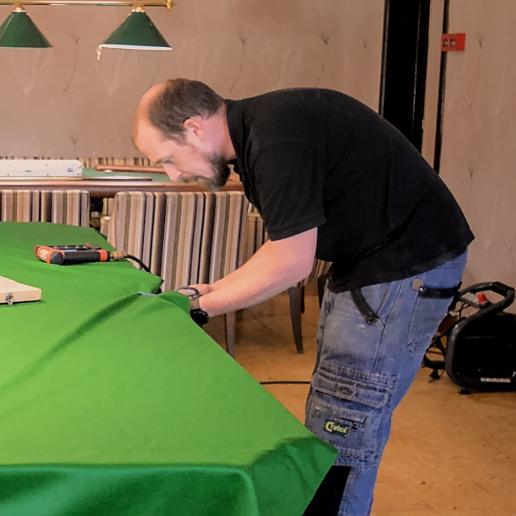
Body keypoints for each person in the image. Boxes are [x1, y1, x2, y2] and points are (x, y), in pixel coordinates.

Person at [132, 79, 474, 516]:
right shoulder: (257, 134)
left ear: (194, 128)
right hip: (374, 263)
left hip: (402, 267)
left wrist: (199, 309)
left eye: (167, 159)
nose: (173, 175)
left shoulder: (275, 139)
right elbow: (282, 242)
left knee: (343, 429)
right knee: (333, 414)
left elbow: (292, 263)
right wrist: (214, 289)